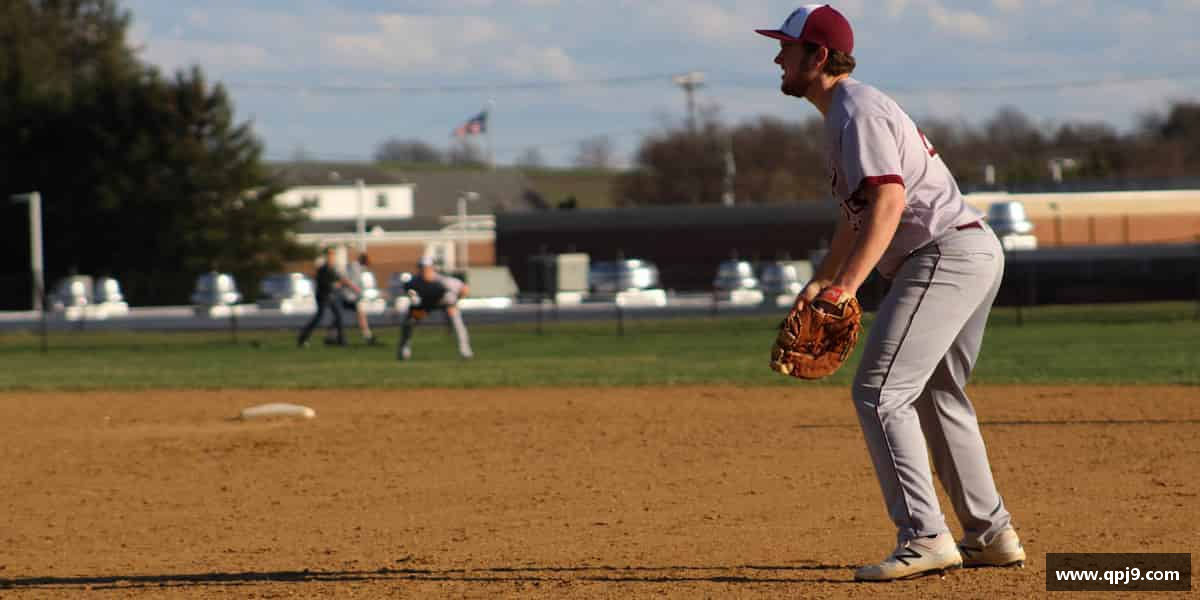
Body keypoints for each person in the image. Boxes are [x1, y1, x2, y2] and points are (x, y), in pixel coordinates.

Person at [756, 5, 1024, 582]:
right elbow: (856, 218)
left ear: (818, 56)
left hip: (944, 253)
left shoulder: (858, 112)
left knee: (879, 393)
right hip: (966, 250)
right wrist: (824, 279)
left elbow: (888, 203)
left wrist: (846, 289)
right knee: (936, 395)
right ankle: (991, 533)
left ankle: (925, 536)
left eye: (787, 47)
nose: (778, 57)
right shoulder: (846, 114)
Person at [397, 256, 473, 361]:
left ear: (433, 268)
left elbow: (464, 289)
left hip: (444, 303)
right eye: (422, 268)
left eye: (427, 268)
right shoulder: (414, 281)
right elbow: (408, 289)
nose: (425, 271)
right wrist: (414, 300)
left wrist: (455, 301)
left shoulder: (443, 281)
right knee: (409, 323)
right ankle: (404, 350)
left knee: (457, 323)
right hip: (425, 305)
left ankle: (465, 351)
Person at [297, 246, 361, 348]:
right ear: (327, 256)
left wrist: (353, 287)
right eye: (331, 255)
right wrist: (334, 285)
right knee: (319, 317)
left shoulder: (332, 268)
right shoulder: (323, 269)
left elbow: (341, 280)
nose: (332, 257)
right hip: (322, 297)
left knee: (339, 316)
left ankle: (341, 340)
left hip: (331, 296)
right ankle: (302, 338)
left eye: (333, 255)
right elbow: (323, 282)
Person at [342, 251, 379, 345]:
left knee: (357, 315)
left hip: (352, 296)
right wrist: (355, 288)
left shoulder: (358, 268)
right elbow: (346, 279)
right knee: (361, 315)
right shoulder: (354, 267)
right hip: (349, 296)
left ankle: (332, 336)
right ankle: (367, 336)